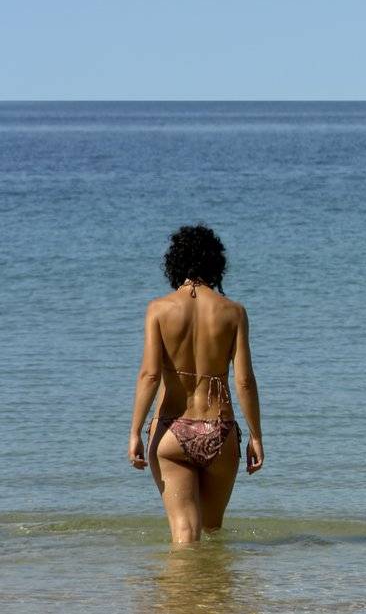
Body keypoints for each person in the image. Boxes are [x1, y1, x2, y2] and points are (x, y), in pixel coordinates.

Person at [128, 224, 264, 543]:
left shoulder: (158, 310)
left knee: (184, 536)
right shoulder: (233, 312)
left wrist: (134, 432)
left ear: (174, 262)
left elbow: (149, 375)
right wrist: (256, 436)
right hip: (218, 430)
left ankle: (180, 593)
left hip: (171, 432)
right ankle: (210, 591)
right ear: (216, 263)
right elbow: (244, 381)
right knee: (212, 533)